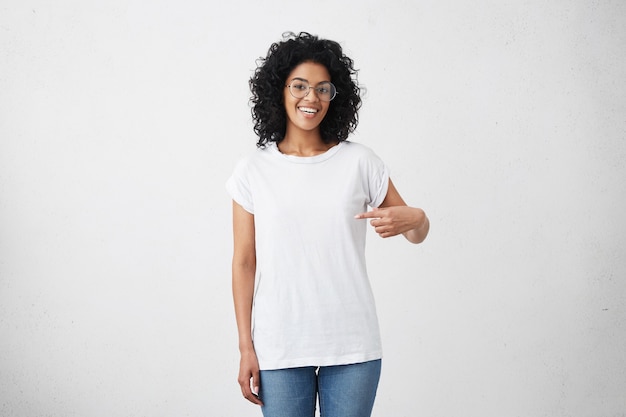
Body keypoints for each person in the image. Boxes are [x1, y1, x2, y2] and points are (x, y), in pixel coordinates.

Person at [226, 32, 429, 417]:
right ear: (278, 90)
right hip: (279, 343)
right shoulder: (252, 170)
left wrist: (418, 218)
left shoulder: (360, 162)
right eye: (300, 86)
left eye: (323, 88)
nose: (312, 98)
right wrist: (245, 346)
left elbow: (416, 233)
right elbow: (244, 262)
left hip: (352, 343)